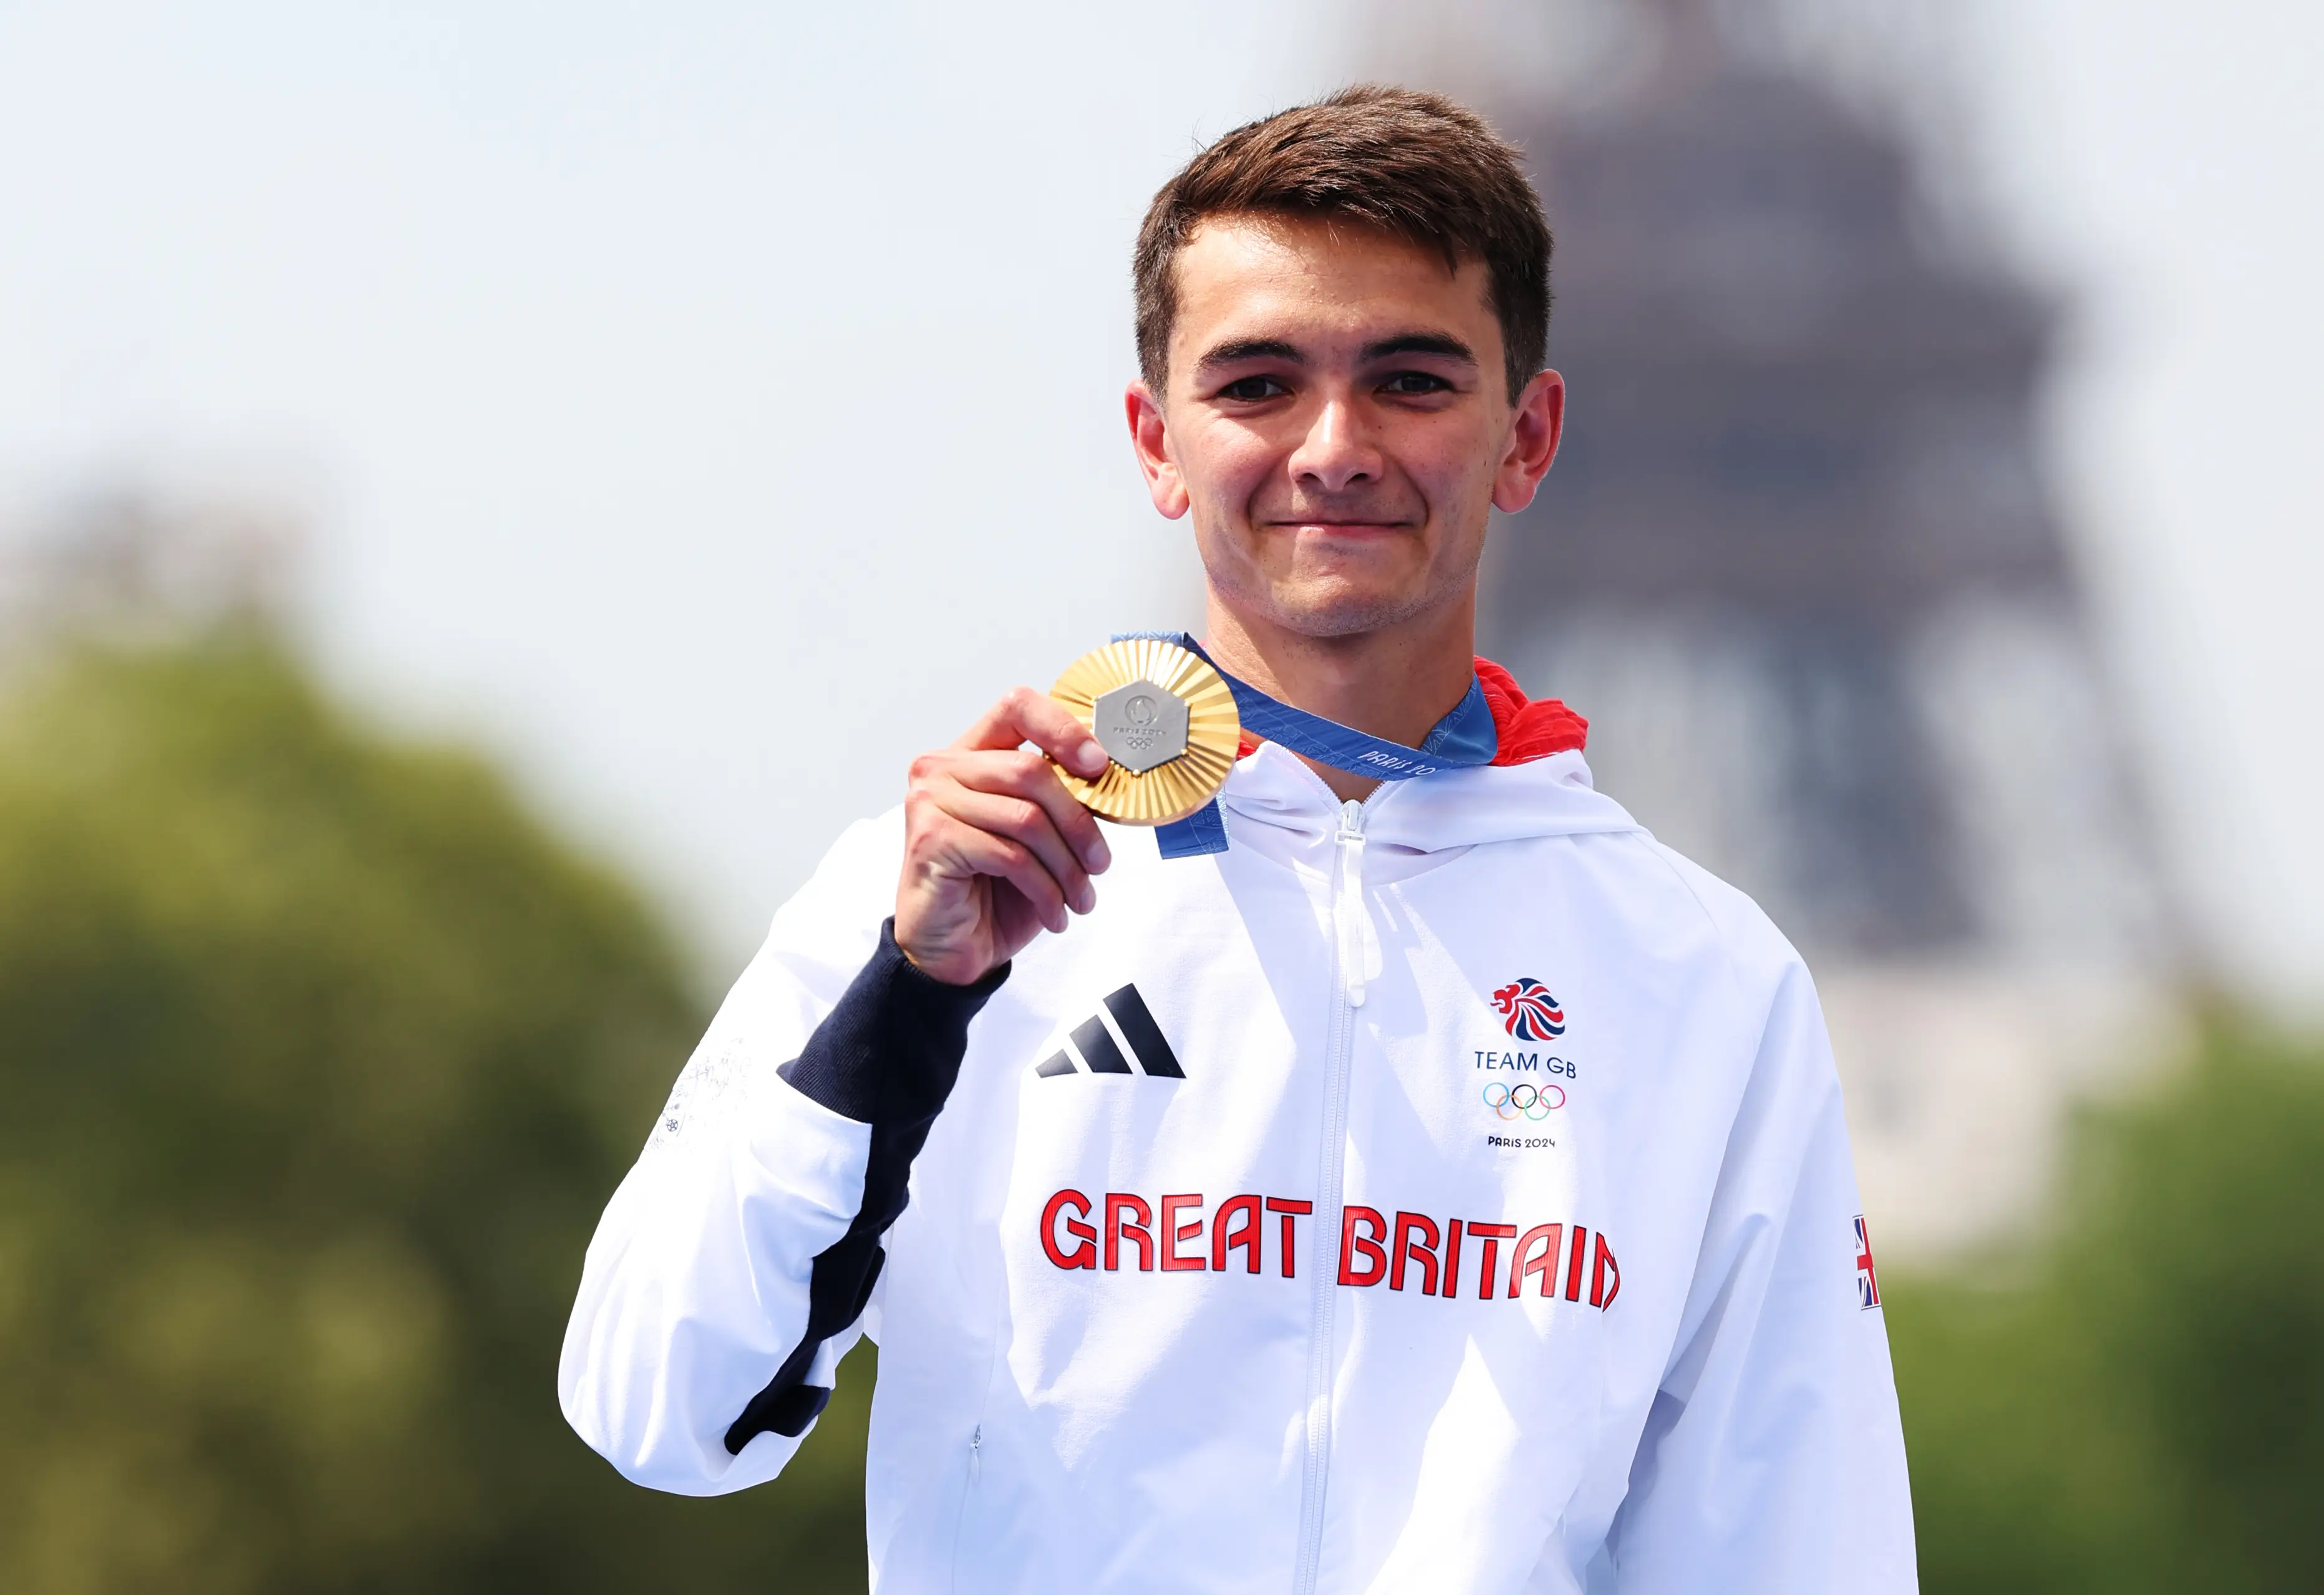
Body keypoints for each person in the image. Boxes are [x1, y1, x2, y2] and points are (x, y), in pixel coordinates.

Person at [560, 86, 1916, 1593]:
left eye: (1409, 380)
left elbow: (1800, 1553)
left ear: (1526, 437)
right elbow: (656, 1408)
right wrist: (910, 1001)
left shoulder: (1705, 978)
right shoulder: (941, 886)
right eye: (1259, 383)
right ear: (1157, 442)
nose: (1334, 447)